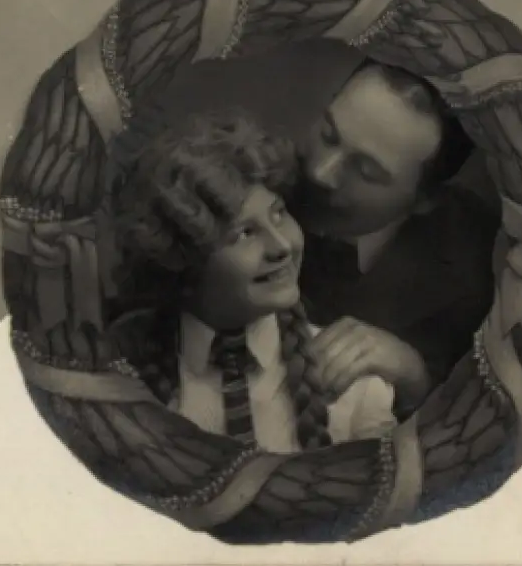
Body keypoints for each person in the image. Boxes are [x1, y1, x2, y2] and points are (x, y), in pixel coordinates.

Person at [105, 111, 398, 452]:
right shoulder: (120, 379)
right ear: (181, 256)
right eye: (245, 233)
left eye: (279, 213)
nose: (282, 245)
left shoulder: (355, 384)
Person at [291, 59, 501, 418]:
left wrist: (414, 376)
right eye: (328, 135)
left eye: (366, 171)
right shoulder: (255, 177)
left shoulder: (476, 261)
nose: (320, 172)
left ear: (425, 200)